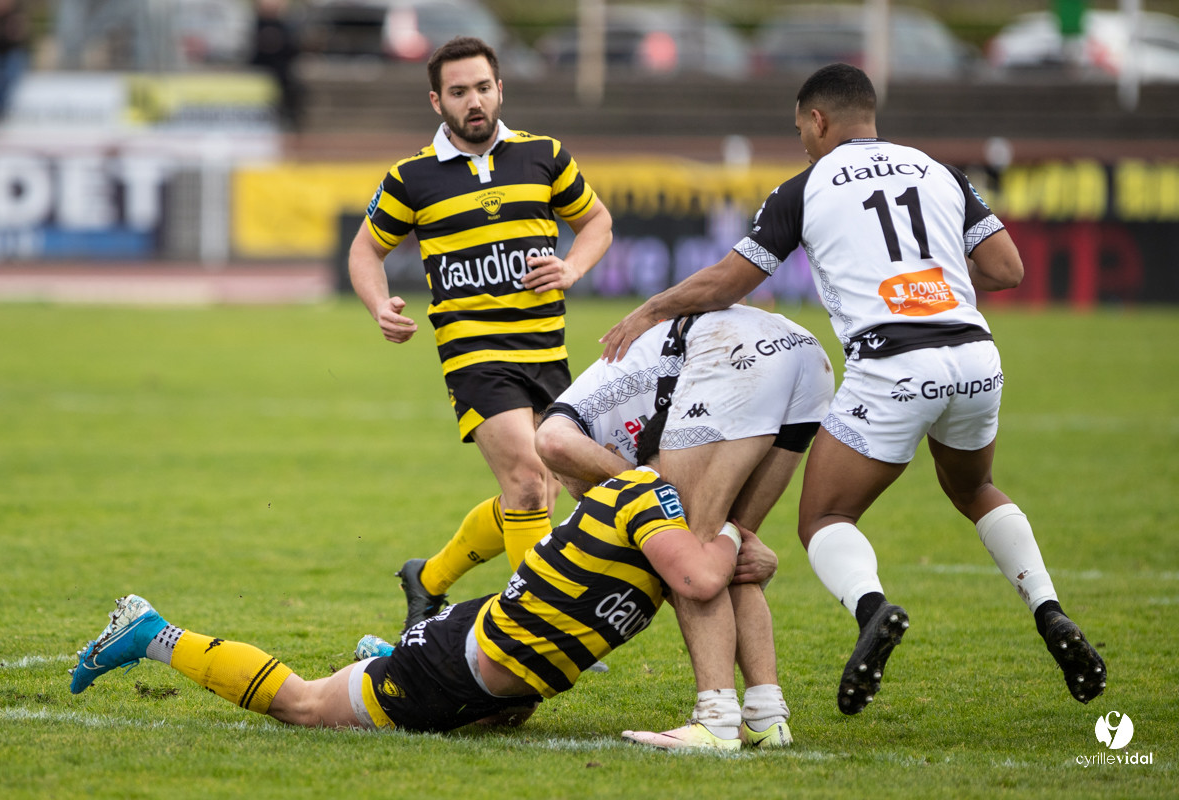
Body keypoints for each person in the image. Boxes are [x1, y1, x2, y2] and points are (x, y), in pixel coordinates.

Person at [600, 63, 1106, 716]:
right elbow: (1007, 269)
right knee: (973, 488)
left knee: (824, 519)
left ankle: (872, 609)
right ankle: (1049, 610)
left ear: (818, 121)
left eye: (800, 130)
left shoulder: (805, 187)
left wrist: (650, 309)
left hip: (893, 364)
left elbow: (728, 282)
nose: (802, 142)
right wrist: (931, 282)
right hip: (975, 357)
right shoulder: (938, 171)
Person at [69, 414, 765, 745]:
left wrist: (730, 545)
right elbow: (703, 580)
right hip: (457, 661)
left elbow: (706, 569)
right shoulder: (649, 497)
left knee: (500, 719)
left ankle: (385, 657)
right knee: (306, 708)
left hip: (485, 651)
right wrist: (735, 537)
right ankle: (150, 631)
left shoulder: (649, 504)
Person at [348, 36, 613, 633]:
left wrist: (571, 267)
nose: (474, 101)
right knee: (526, 477)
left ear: (501, 88)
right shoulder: (411, 177)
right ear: (436, 100)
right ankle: (536, 624)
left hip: (546, 352)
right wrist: (378, 305)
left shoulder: (544, 155)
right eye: (459, 91)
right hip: (473, 354)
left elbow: (596, 220)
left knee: (539, 494)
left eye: (483, 87)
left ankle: (430, 578)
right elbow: (366, 249)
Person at [535, 304, 834, 748]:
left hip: (736, 350)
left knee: (688, 553)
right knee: (722, 550)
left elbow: (550, 440)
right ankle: (767, 716)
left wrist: (640, 491)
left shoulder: (576, 420)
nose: (582, 497)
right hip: (807, 357)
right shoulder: (619, 411)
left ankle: (715, 719)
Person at [250, 0, 302, 131]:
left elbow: (293, 49)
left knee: (294, 89)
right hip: (257, 69)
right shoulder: (253, 24)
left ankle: (289, 118)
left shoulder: (286, 25)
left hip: (280, 70)